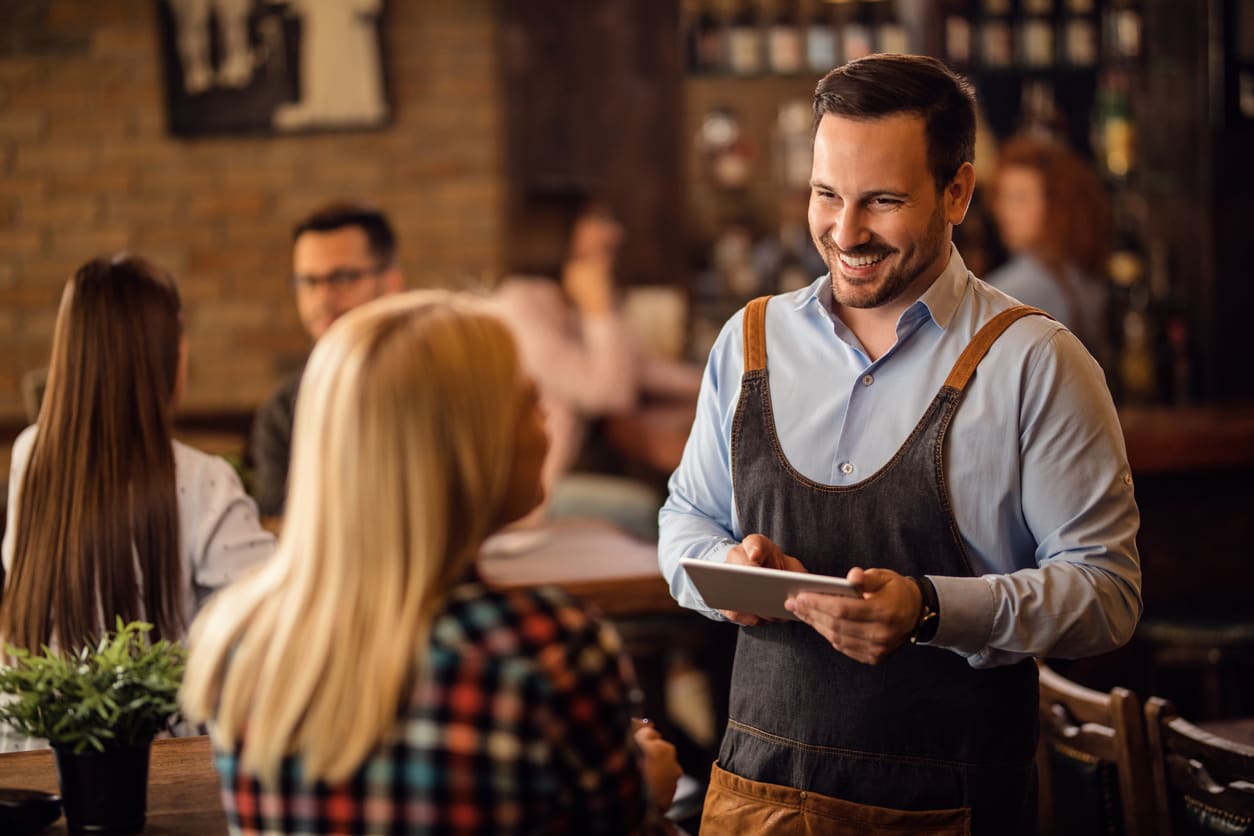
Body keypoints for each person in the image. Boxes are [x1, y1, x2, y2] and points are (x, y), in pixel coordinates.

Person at [658, 54, 1141, 834]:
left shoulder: (1035, 363)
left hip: (951, 808)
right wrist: (728, 572)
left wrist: (930, 611)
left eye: (881, 201)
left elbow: (1106, 595)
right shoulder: (750, 340)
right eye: (826, 195)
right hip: (753, 800)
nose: (845, 233)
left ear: (957, 192)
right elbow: (684, 521)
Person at [183, 291, 682, 833]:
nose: (544, 425)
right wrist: (647, 797)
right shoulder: (546, 648)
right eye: (526, 403)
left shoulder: (238, 642)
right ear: (464, 448)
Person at [1, 255, 274, 653]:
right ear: (166, 356)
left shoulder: (30, 453)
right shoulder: (204, 480)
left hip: (32, 713)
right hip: (162, 717)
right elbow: (263, 628)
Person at [488, 189, 701, 540]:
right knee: (650, 510)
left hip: (567, 472)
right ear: (558, 230)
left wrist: (744, 377)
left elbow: (643, 368)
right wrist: (598, 306)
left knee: (678, 500)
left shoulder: (564, 300)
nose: (615, 232)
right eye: (599, 220)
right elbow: (611, 393)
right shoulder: (518, 310)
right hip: (531, 497)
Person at [249, 201, 403, 520]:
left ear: (390, 284)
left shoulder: (434, 384)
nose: (322, 298)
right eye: (307, 282)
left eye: (342, 278)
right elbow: (283, 527)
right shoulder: (283, 409)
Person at [986, 133, 1112, 361]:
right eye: (1003, 198)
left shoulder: (1008, 292)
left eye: (1019, 198)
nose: (1005, 212)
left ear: (1055, 203)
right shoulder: (1084, 278)